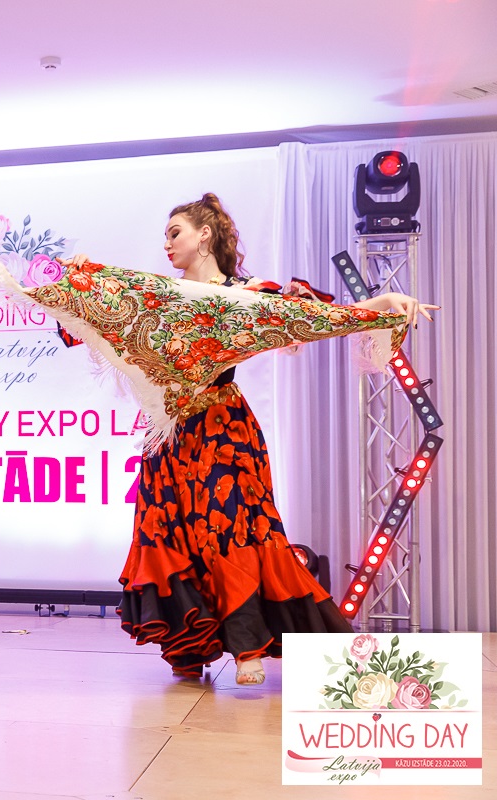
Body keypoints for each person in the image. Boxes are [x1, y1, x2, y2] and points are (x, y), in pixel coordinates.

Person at [116, 193, 438, 684]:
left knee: (230, 529)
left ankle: (247, 647)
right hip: (168, 436)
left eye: (174, 232)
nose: (166, 244)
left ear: (205, 235)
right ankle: (191, 646)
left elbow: (310, 319)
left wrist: (380, 304)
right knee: (172, 533)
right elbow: (106, 315)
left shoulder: (245, 294)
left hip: (223, 430)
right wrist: (73, 283)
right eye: (165, 235)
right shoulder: (161, 295)